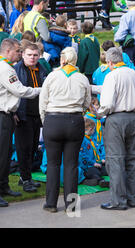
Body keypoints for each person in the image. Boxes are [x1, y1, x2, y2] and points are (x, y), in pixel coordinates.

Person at [39, 47, 91, 212]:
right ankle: (71, 204)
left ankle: (51, 203)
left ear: (62, 60)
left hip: (53, 120)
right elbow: (86, 102)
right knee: (71, 165)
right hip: (74, 121)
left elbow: (43, 101)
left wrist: (45, 121)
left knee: (53, 164)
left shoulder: (52, 76)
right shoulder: (82, 79)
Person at [94, 47, 135, 210]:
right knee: (133, 159)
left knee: (115, 160)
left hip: (116, 119)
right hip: (134, 117)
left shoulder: (111, 76)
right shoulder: (132, 73)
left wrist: (98, 113)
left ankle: (118, 201)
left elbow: (107, 104)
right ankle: (133, 198)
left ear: (109, 62)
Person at [0, 38, 41, 207]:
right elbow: (20, 90)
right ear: (8, 51)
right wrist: (43, 90)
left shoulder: (6, 67)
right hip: (3, 114)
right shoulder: (6, 69)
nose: (19, 53)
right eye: (18, 51)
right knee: (2, 155)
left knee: (7, 153)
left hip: (8, 115)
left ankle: (3, 186)